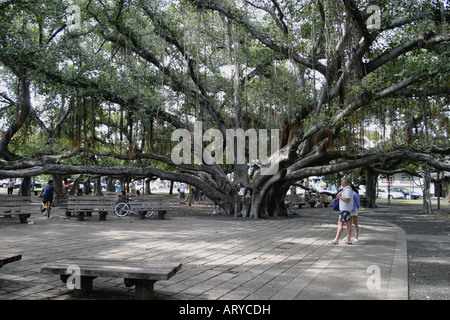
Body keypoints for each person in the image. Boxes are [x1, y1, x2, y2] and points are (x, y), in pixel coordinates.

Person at [329, 177, 354, 245]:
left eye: (342, 182)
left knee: (340, 223)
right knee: (347, 223)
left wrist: (340, 197)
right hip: (346, 209)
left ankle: (336, 239)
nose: (341, 183)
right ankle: (349, 239)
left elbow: (347, 199)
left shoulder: (347, 190)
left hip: (345, 209)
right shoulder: (346, 189)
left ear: (345, 182)